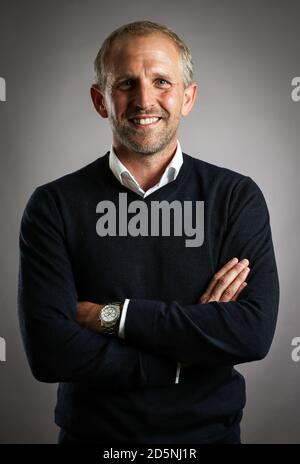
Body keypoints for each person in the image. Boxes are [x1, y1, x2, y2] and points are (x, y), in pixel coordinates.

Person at [17, 20, 279, 444]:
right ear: (100, 100)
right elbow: (50, 352)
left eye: (161, 81)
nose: (144, 100)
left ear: (187, 97)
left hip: (208, 440)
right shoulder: (53, 205)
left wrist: (111, 317)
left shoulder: (236, 198)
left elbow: (250, 331)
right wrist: (183, 357)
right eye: (125, 83)